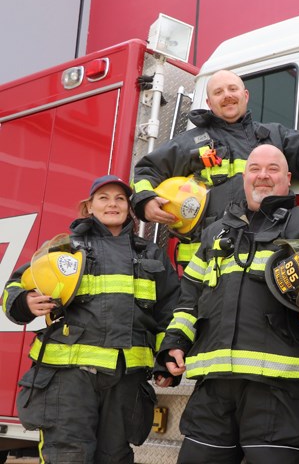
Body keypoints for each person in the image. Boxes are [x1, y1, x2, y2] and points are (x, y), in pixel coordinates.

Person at [156, 144, 299, 464]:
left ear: (287, 179)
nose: (263, 176)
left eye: (272, 169)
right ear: (244, 178)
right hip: (214, 392)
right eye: (255, 169)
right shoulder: (215, 234)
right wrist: (173, 346)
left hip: (281, 393)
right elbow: (189, 300)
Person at [2, 175, 180, 463]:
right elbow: (14, 286)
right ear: (89, 207)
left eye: (120, 198)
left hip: (125, 382)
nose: (113, 204)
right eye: (104, 198)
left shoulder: (150, 254)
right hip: (69, 381)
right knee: (68, 456)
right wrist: (24, 301)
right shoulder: (65, 249)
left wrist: (166, 360)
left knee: (115, 458)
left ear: (129, 208)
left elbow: (170, 313)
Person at [132, 69, 299, 267]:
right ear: (209, 103)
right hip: (205, 261)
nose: (227, 96)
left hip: (261, 255)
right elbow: (147, 170)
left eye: (232, 89)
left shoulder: (273, 135)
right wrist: (145, 200)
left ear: (245, 95)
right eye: (218, 92)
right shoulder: (189, 142)